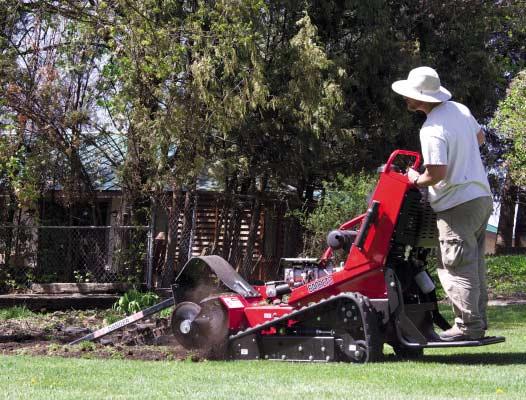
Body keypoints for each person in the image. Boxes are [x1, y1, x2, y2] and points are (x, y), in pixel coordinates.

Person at [391, 66, 493, 341]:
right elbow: (480, 138)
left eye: (409, 95)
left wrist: (414, 179)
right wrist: (463, 154)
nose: (406, 99)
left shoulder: (431, 129)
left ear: (420, 98)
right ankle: (477, 323)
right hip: (481, 197)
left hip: (456, 204)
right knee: (473, 264)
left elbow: (436, 174)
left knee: (455, 265)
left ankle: (467, 327)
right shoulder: (459, 110)